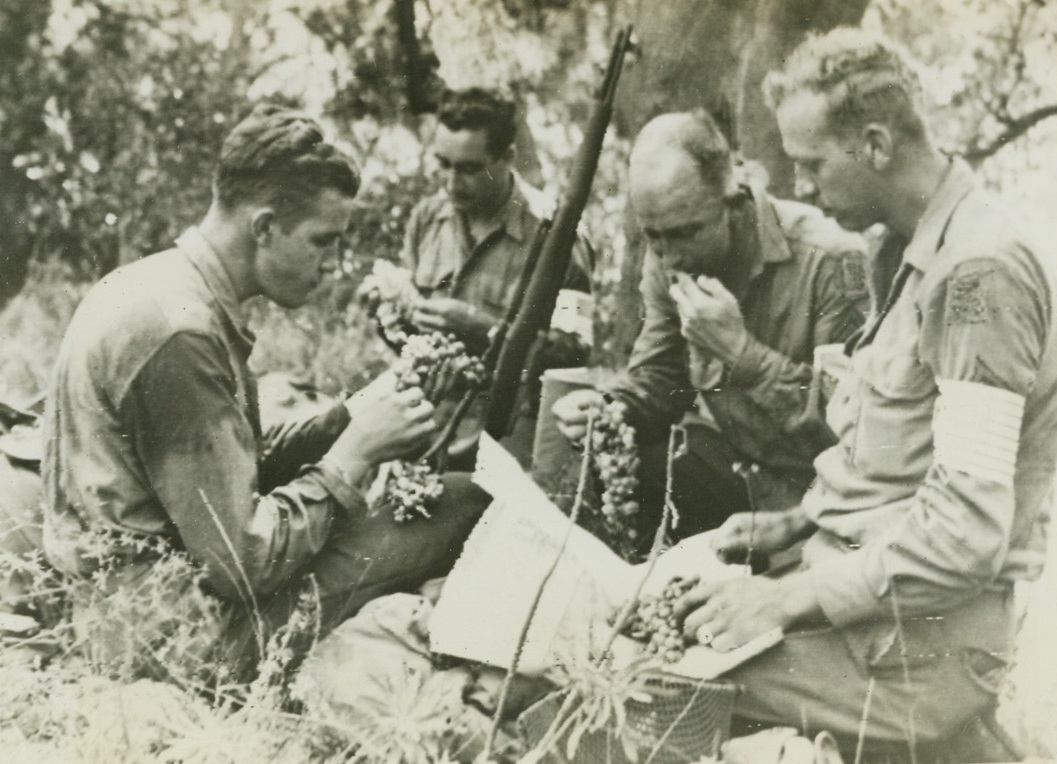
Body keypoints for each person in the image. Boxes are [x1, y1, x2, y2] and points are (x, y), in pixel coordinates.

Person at [675, 28, 1057, 753]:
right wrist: (795, 524)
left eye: (811, 164)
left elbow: (964, 532)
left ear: (877, 145)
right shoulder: (904, 248)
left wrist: (783, 599)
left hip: (917, 656)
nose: (798, 189)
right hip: (873, 619)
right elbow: (900, 457)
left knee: (645, 681)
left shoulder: (978, 276)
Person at [42, 104, 488, 682]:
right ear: (264, 227)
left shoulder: (159, 287)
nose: (332, 264)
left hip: (134, 608)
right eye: (322, 241)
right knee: (459, 503)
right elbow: (242, 563)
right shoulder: (181, 335)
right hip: (174, 638)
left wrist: (346, 418)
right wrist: (354, 457)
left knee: (438, 497)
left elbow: (222, 472)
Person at [553, 109, 869, 543]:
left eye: (684, 234)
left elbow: (856, 433)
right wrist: (610, 408)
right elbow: (660, 377)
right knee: (616, 460)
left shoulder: (831, 261)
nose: (669, 257)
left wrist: (745, 357)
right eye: (653, 237)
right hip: (739, 470)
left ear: (734, 204)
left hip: (819, 497)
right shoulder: (670, 248)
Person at [400, 87, 596, 466]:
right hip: (423, 431)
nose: (452, 183)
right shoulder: (428, 220)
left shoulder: (557, 239)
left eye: (470, 169)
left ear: (508, 158)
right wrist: (389, 315)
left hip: (502, 442)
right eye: (443, 164)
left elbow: (573, 351)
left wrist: (483, 328)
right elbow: (410, 338)